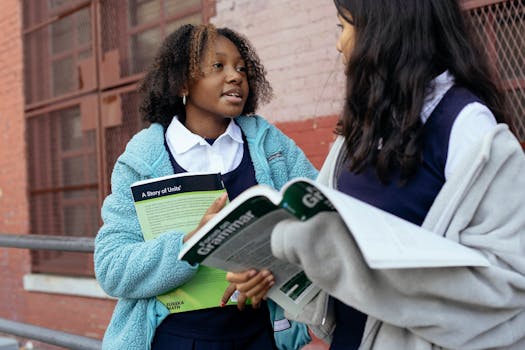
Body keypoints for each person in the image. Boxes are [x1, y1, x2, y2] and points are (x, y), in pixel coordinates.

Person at [229, 0, 525, 349]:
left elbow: (508, 290)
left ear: (385, 28)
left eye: (344, 26)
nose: (339, 43)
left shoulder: (467, 125)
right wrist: (271, 268)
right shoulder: (361, 127)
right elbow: (323, 248)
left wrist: (323, 248)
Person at [94, 23, 317, 350]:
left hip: (261, 335)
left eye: (242, 68)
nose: (235, 76)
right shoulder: (141, 162)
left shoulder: (272, 147)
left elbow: (321, 224)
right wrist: (191, 244)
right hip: (175, 338)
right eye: (218, 66)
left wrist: (273, 272)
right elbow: (112, 268)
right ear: (183, 80)